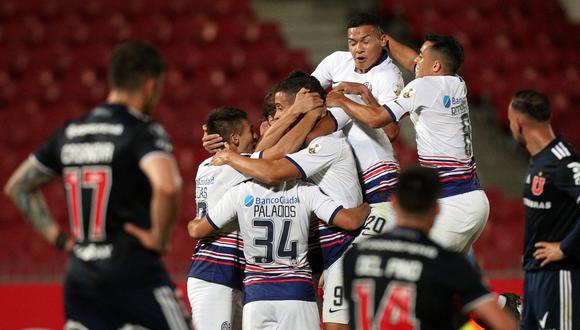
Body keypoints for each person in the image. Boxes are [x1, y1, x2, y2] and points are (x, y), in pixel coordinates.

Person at [4, 40, 190, 329]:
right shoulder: (141, 131)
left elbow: (18, 186)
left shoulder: (71, 131)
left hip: (81, 274)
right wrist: (160, 238)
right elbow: (168, 185)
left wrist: (62, 241)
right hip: (132, 269)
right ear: (150, 85)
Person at [327, 33, 489, 255]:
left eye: (422, 56)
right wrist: (387, 40)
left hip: (453, 203)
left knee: (414, 267)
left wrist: (342, 101)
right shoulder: (456, 82)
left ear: (436, 65)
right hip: (475, 200)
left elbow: (377, 120)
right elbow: (413, 62)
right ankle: (501, 294)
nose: (416, 61)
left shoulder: (423, 87)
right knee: (446, 285)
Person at [343, 166, 517, 330]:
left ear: (394, 203)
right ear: (436, 209)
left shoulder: (355, 256)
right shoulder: (447, 263)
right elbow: (503, 324)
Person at [188, 177, 371, 330]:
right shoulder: (305, 191)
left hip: (256, 297)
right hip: (296, 292)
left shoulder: (240, 192)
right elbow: (350, 221)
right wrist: (366, 207)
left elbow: (198, 229)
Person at [507, 90, 580, 330]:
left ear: (518, 122)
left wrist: (564, 248)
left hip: (560, 276)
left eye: (510, 120)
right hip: (535, 275)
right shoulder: (539, 160)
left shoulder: (563, 161)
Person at [187, 107, 257, 330]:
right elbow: (275, 155)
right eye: (250, 131)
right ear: (235, 138)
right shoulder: (236, 167)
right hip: (214, 271)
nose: (255, 136)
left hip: (226, 270)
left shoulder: (206, 166)